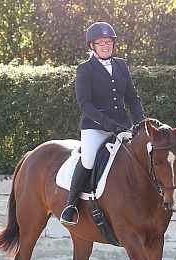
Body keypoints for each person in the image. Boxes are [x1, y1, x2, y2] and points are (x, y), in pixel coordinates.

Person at [60, 21, 145, 226]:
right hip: (95, 127)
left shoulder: (121, 65)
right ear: (92, 45)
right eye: (101, 42)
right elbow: (84, 103)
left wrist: (140, 121)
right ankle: (70, 205)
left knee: (142, 155)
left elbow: (132, 97)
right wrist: (107, 123)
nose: (106, 46)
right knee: (88, 159)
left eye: (109, 42)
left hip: (123, 126)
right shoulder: (85, 69)